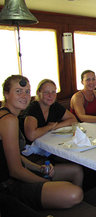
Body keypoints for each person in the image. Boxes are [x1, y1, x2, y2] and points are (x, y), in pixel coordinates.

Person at [0, 75, 83, 211]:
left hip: (22, 170)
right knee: (75, 194)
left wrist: (37, 168)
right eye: (18, 91)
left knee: (77, 171)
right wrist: (45, 182)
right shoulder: (9, 120)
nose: (24, 95)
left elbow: (15, 157)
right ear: (6, 94)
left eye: (27, 91)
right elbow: (15, 171)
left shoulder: (9, 115)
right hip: (9, 185)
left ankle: (72, 210)